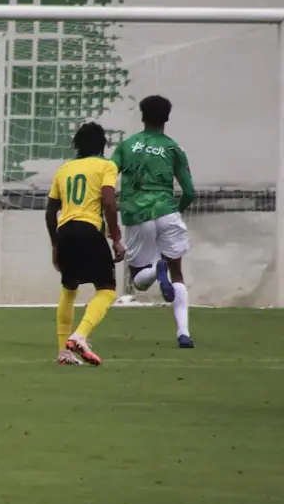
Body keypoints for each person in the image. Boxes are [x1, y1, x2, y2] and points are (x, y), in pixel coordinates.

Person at [111, 95, 196, 349]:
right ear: (167, 118)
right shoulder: (174, 149)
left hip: (138, 215)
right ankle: (183, 333)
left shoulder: (127, 146)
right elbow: (190, 192)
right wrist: (174, 210)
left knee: (137, 278)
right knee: (178, 272)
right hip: (167, 212)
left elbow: (108, 175)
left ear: (142, 116)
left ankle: (157, 266)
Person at [46, 122, 125, 367]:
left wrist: (55, 246)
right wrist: (117, 237)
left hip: (65, 231)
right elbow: (110, 203)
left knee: (69, 288)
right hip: (89, 229)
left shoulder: (64, 169)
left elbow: (50, 212)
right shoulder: (106, 166)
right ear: (103, 145)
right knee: (107, 289)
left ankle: (63, 353)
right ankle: (80, 336)